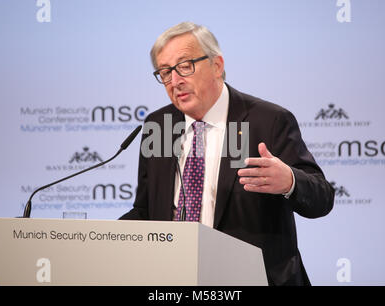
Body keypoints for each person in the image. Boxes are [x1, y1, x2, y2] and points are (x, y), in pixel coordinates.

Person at [120, 22, 335, 286]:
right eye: (165, 72)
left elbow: (322, 199)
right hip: (178, 279)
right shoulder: (159, 125)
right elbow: (146, 211)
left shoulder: (267, 121)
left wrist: (290, 181)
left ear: (217, 65)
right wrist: (101, 240)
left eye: (185, 66)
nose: (175, 81)